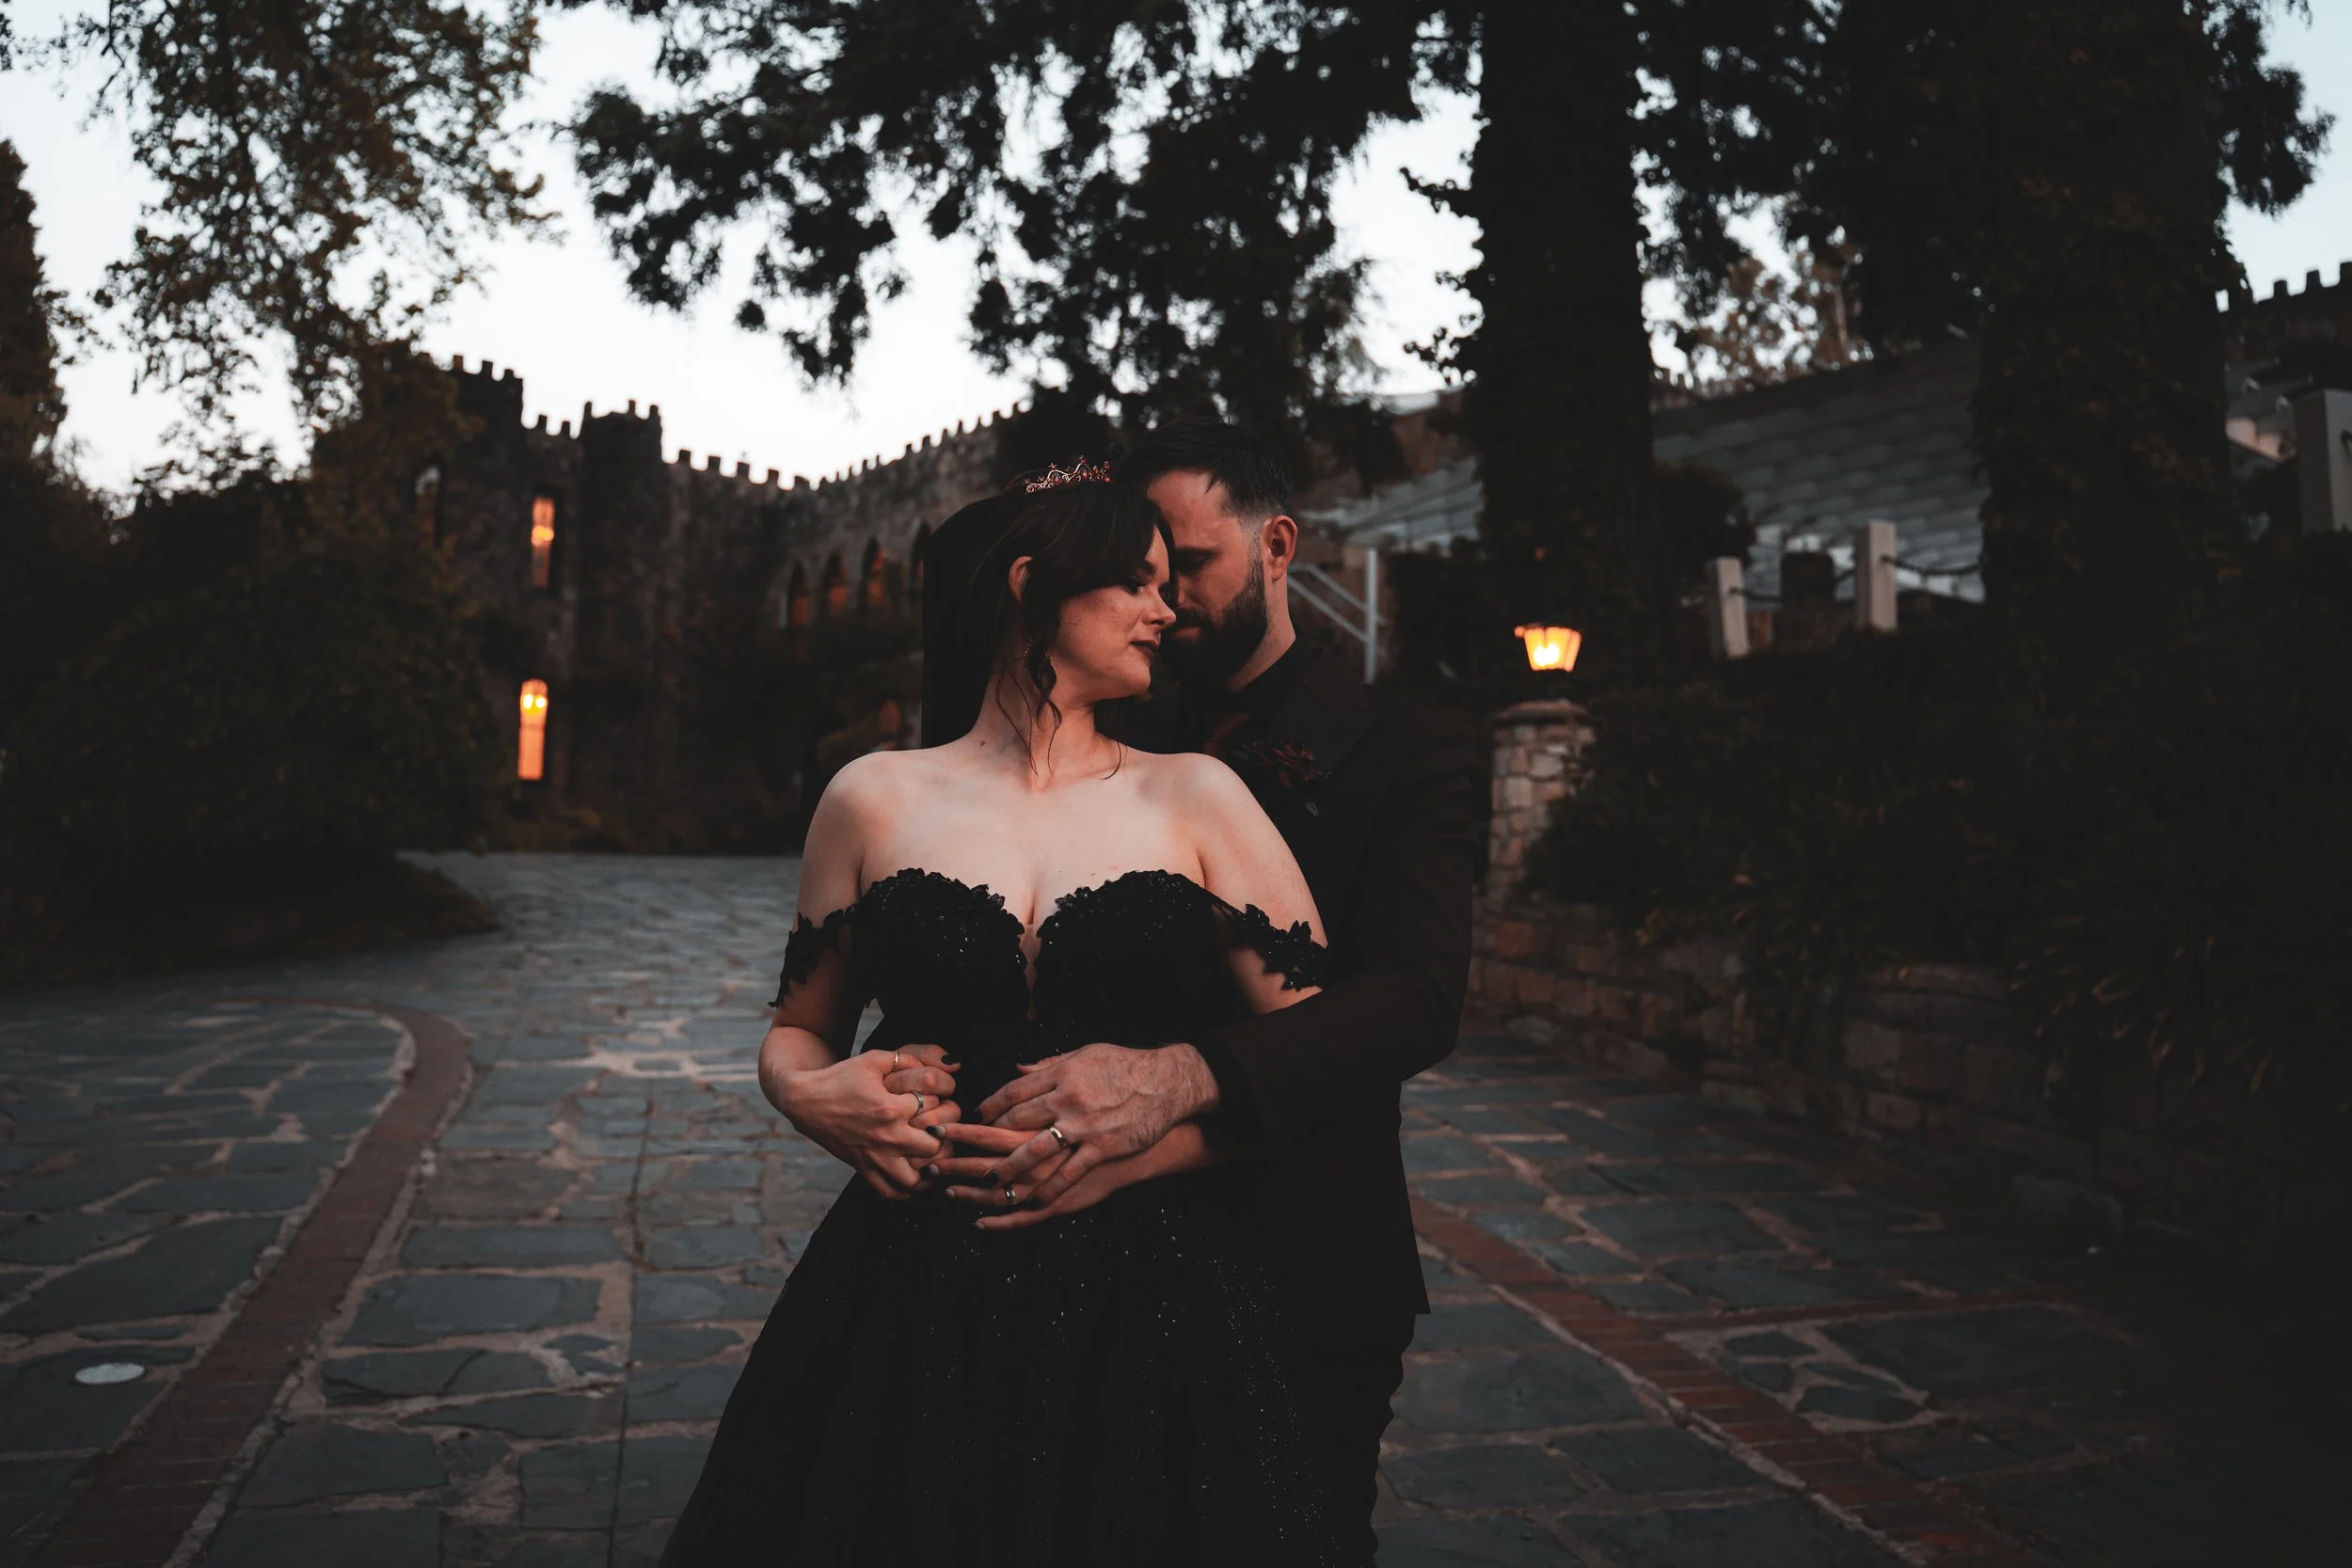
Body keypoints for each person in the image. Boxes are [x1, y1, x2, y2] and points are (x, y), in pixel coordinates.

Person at [660, 463, 1353, 1565]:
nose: (1162, 611)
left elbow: (1324, 1058)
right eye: (1134, 582)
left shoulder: (1199, 797)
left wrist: (1147, 1147)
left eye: (1169, 584)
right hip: (906, 1297)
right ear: (1035, 589)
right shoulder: (872, 797)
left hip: (1159, 1296)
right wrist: (806, 1091)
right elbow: (801, 1030)